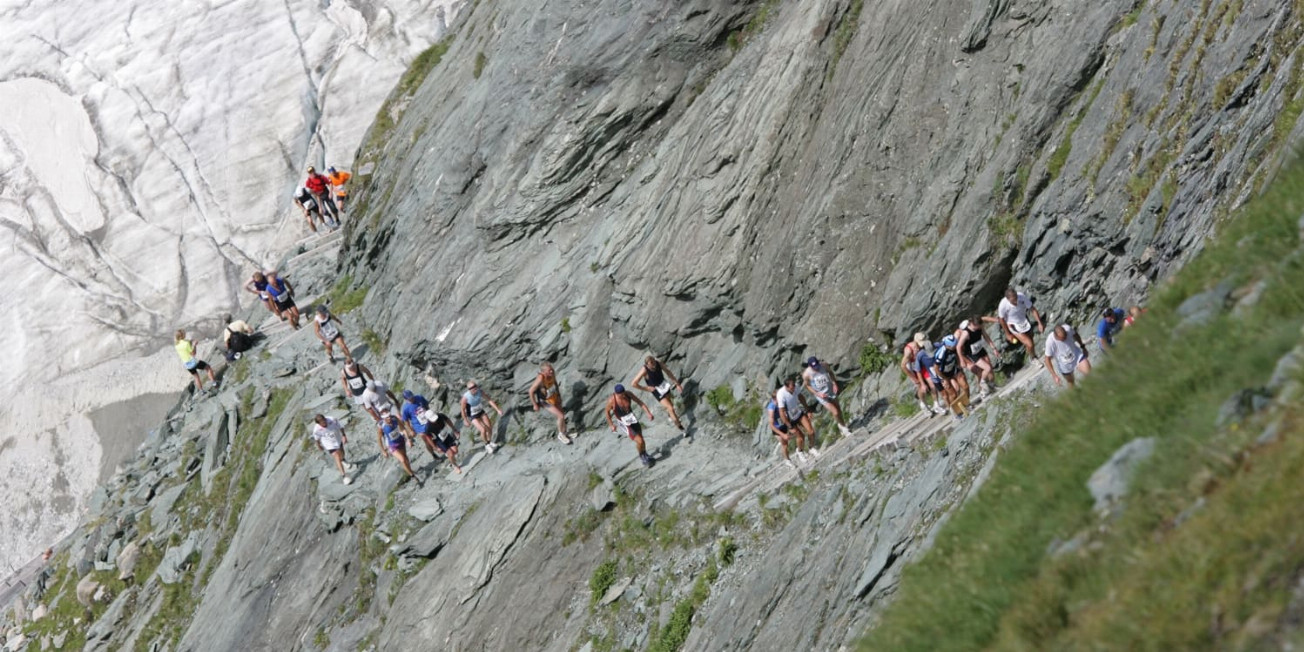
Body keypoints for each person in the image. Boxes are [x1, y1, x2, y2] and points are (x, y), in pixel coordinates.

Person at [401, 391, 463, 472]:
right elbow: (406, 421)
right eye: (409, 398)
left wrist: (431, 415)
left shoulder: (419, 397)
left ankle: (446, 450)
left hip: (429, 420)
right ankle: (434, 453)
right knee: (427, 439)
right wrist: (410, 430)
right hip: (419, 426)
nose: (412, 399)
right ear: (406, 399)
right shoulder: (405, 408)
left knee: (437, 434)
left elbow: (427, 406)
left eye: (412, 397)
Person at [630, 356, 686, 434]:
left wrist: (677, 384)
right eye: (651, 363)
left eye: (654, 362)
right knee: (670, 408)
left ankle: (670, 416)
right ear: (647, 365)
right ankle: (681, 428)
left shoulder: (658, 363)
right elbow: (633, 384)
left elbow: (668, 372)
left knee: (670, 403)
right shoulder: (644, 370)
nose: (654, 364)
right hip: (656, 390)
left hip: (664, 384)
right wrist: (646, 388)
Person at [605, 384, 657, 467]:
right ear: (615, 393)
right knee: (639, 441)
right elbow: (607, 412)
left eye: (623, 393)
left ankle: (644, 453)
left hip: (632, 419)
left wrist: (648, 413)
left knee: (642, 440)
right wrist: (611, 425)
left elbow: (640, 402)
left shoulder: (628, 394)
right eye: (620, 394)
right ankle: (642, 457)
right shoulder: (612, 401)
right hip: (624, 423)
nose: (622, 395)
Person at [801, 357, 851, 436]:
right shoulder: (806, 374)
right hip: (822, 396)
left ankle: (841, 425)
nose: (816, 368)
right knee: (835, 412)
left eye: (817, 366)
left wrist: (834, 383)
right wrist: (818, 394)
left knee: (838, 409)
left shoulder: (824, 365)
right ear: (810, 366)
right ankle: (844, 429)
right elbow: (807, 386)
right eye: (814, 367)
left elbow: (830, 373)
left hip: (830, 390)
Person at [902, 333, 947, 415]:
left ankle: (936, 404)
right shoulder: (909, 350)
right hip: (912, 368)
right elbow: (903, 366)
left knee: (932, 384)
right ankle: (923, 404)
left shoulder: (924, 345)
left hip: (922, 365)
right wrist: (914, 379)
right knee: (921, 388)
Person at [955, 317, 999, 399]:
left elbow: (986, 337)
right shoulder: (966, 333)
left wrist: (994, 348)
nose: (980, 327)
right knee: (987, 368)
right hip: (972, 354)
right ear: (973, 324)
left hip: (980, 349)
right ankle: (982, 385)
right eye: (979, 326)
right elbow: (958, 347)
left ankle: (992, 385)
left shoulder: (980, 327)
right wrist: (961, 360)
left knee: (990, 368)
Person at [776, 376, 821, 455]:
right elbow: (781, 412)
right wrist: (789, 426)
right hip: (789, 418)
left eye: (794, 387)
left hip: (798, 412)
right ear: (786, 387)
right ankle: (800, 451)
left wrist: (808, 410)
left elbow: (801, 397)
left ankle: (811, 448)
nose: (793, 390)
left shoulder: (795, 387)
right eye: (791, 388)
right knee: (801, 437)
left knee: (811, 431)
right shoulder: (781, 394)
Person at [765, 386, 809, 468]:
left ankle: (800, 451)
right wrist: (782, 434)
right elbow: (771, 425)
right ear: (775, 399)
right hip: (777, 428)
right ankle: (787, 460)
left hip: (786, 423)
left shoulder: (782, 402)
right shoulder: (771, 407)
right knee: (784, 444)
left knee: (800, 435)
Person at [528, 363, 572, 444]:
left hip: (553, 396)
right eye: (549, 370)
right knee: (560, 416)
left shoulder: (552, 374)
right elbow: (530, 391)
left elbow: (555, 383)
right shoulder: (540, 378)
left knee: (562, 414)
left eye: (552, 369)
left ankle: (565, 433)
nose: (551, 371)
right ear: (544, 372)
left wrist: (558, 395)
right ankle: (561, 435)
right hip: (544, 401)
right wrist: (534, 405)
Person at [996, 288, 1044, 359]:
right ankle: (1034, 359)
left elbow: (1032, 309)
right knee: (1029, 344)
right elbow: (1001, 319)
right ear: (1008, 299)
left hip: (1024, 320)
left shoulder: (1021, 296)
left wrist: (1040, 323)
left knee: (1030, 342)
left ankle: (1032, 356)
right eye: (1013, 299)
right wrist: (1008, 334)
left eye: (1016, 297)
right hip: (1013, 325)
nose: (1016, 300)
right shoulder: (1003, 305)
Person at [311, 414, 357, 484]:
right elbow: (316, 439)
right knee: (336, 456)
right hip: (329, 444)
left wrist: (344, 436)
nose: (324, 423)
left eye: (324, 421)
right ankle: (344, 476)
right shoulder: (316, 430)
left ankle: (343, 460)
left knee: (342, 453)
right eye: (322, 423)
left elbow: (340, 427)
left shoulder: (332, 420)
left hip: (337, 439)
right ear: (318, 424)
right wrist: (319, 446)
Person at [376, 414, 421, 485]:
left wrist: (408, 439)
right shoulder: (382, 426)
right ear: (384, 419)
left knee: (405, 458)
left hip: (400, 440)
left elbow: (402, 428)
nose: (389, 418)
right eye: (387, 418)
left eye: (389, 416)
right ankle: (412, 475)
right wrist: (383, 451)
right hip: (392, 445)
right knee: (402, 460)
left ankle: (410, 471)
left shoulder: (394, 419)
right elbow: (379, 439)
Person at [461, 381, 504, 453]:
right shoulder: (465, 398)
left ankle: (489, 442)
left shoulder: (480, 392)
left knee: (489, 427)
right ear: (469, 389)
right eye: (472, 388)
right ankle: (487, 445)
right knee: (483, 430)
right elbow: (462, 410)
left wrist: (497, 410)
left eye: (475, 386)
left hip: (480, 411)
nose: (475, 388)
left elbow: (489, 400)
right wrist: (465, 420)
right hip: (472, 415)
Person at [933, 335, 969, 418]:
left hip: (953, 369)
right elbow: (936, 368)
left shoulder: (954, 347)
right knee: (953, 394)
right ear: (947, 346)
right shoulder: (941, 353)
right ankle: (955, 412)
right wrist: (945, 379)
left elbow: (957, 355)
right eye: (953, 346)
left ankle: (967, 403)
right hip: (943, 374)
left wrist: (959, 365)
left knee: (965, 385)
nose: (955, 347)